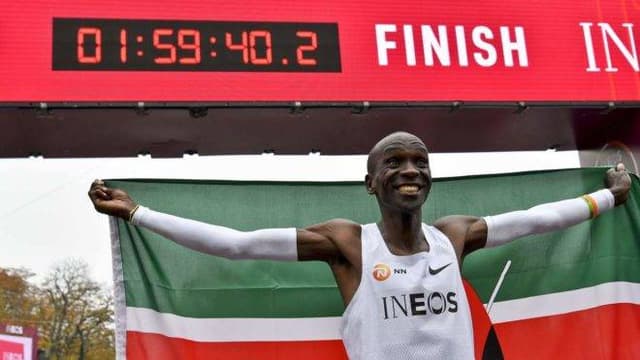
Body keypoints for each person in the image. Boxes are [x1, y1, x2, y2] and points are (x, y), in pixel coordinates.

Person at [89, 132, 631, 360]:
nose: (410, 170)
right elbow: (236, 245)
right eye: (393, 162)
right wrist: (138, 212)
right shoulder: (348, 243)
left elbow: (537, 220)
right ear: (371, 182)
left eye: (420, 161)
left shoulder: (454, 236)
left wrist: (609, 198)